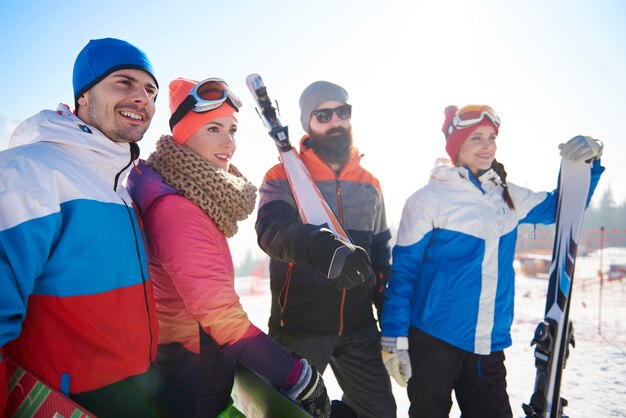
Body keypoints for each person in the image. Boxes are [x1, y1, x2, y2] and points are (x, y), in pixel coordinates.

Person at [380, 104, 605, 418]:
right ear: (456, 146)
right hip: (433, 340)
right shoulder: (427, 200)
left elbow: (562, 209)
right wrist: (393, 338)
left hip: (488, 343)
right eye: (476, 138)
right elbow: (403, 273)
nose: (487, 145)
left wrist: (587, 166)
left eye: (491, 137)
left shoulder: (509, 196)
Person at [126, 77, 331, 418]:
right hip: (191, 374)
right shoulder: (178, 210)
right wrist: (298, 375)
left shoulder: (180, 191)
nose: (229, 143)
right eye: (213, 129)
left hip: (191, 360)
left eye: (232, 130)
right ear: (183, 133)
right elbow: (222, 319)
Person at [0, 38, 160, 417]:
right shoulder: (28, 172)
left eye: (150, 90)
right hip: (61, 403)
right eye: (123, 82)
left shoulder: (120, 188)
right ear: (83, 97)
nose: (143, 98)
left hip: (135, 393)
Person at [255, 80, 397, 417]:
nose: (336, 121)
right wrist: (320, 247)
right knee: (287, 412)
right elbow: (271, 232)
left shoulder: (369, 182)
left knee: (379, 411)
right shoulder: (282, 176)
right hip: (299, 328)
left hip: (358, 327)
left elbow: (380, 254)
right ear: (308, 123)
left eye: (342, 112)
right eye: (324, 114)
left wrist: (390, 320)